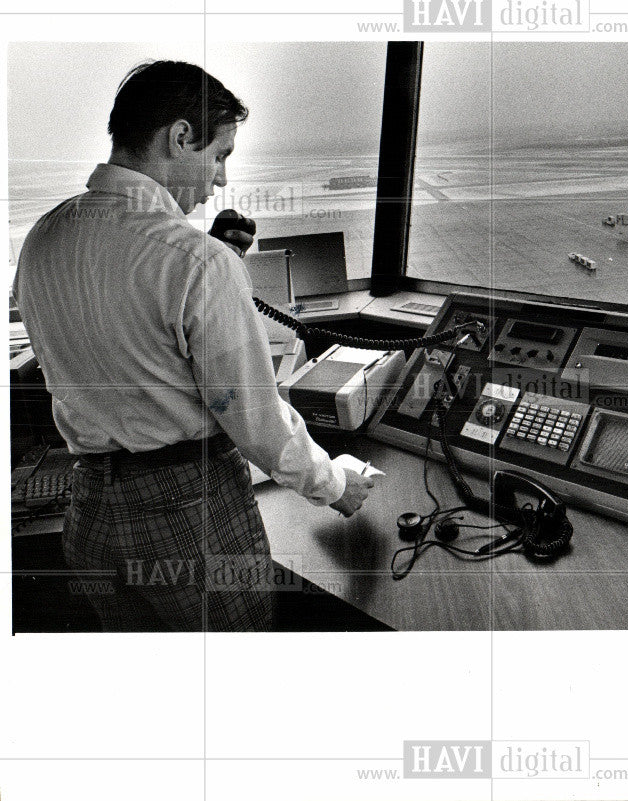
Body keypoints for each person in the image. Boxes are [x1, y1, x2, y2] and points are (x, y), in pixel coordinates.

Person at [13, 60, 374, 632]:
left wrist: (211, 262)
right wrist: (334, 484)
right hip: (190, 521)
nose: (221, 180)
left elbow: (116, 328)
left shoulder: (44, 238)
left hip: (91, 518)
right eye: (220, 155)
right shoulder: (196, 262)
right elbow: (254, 417)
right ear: (180, 137)